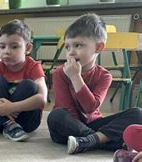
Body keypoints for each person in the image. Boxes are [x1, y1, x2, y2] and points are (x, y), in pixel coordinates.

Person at [47, 13, 142, 154]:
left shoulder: (104, 76)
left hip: (94, 123)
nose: (71, 53)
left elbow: (90, 108)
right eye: (67, 47)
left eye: (78, 45)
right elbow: (67, 110)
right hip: (68, 126)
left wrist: (76, 78)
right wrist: (73, 76)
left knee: (138, 113)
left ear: (98, 47)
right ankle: (103, 141)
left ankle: (89, 141)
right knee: (56, 116)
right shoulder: (60, 73)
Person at [0, 19, 47, 142]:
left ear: (27, 48)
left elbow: (41, 99)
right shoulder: (0, 67)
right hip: (4, 112)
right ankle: (7, 124)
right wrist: (4, 107)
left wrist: (11, 107)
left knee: (30, 85)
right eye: (2, 46)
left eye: (14, 46)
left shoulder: (33, 66)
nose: (6, 51)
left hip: (26, 121)